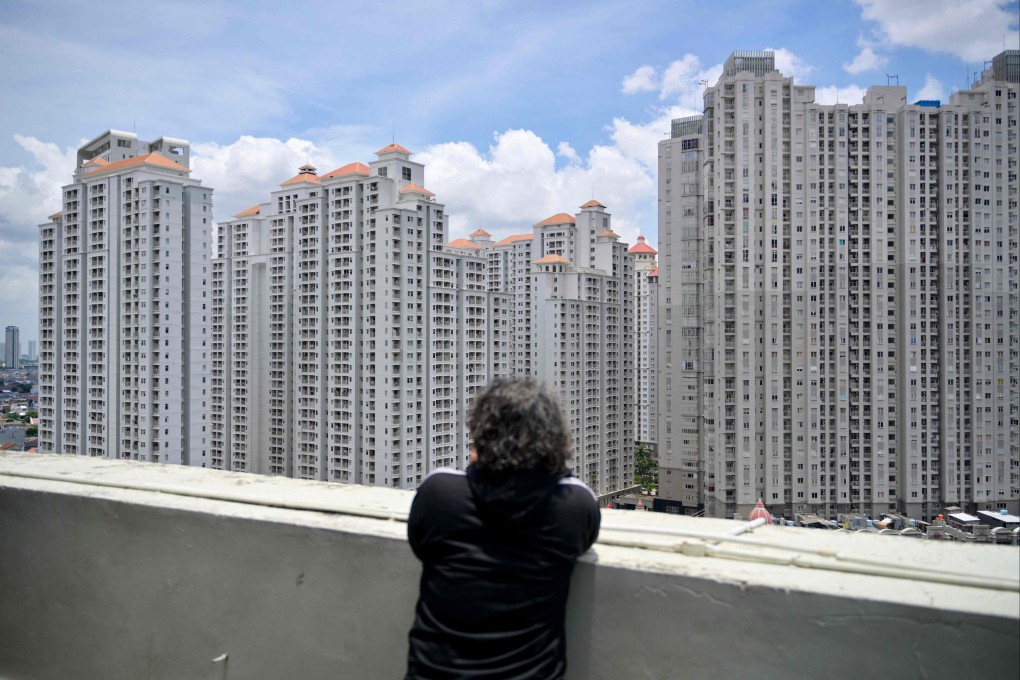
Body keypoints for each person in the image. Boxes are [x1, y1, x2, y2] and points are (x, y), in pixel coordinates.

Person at [405, 378, 601, 679]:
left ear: (481, 435)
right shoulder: (573, 506)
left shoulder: (438, 495)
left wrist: (482, 466)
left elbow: (421, 544)